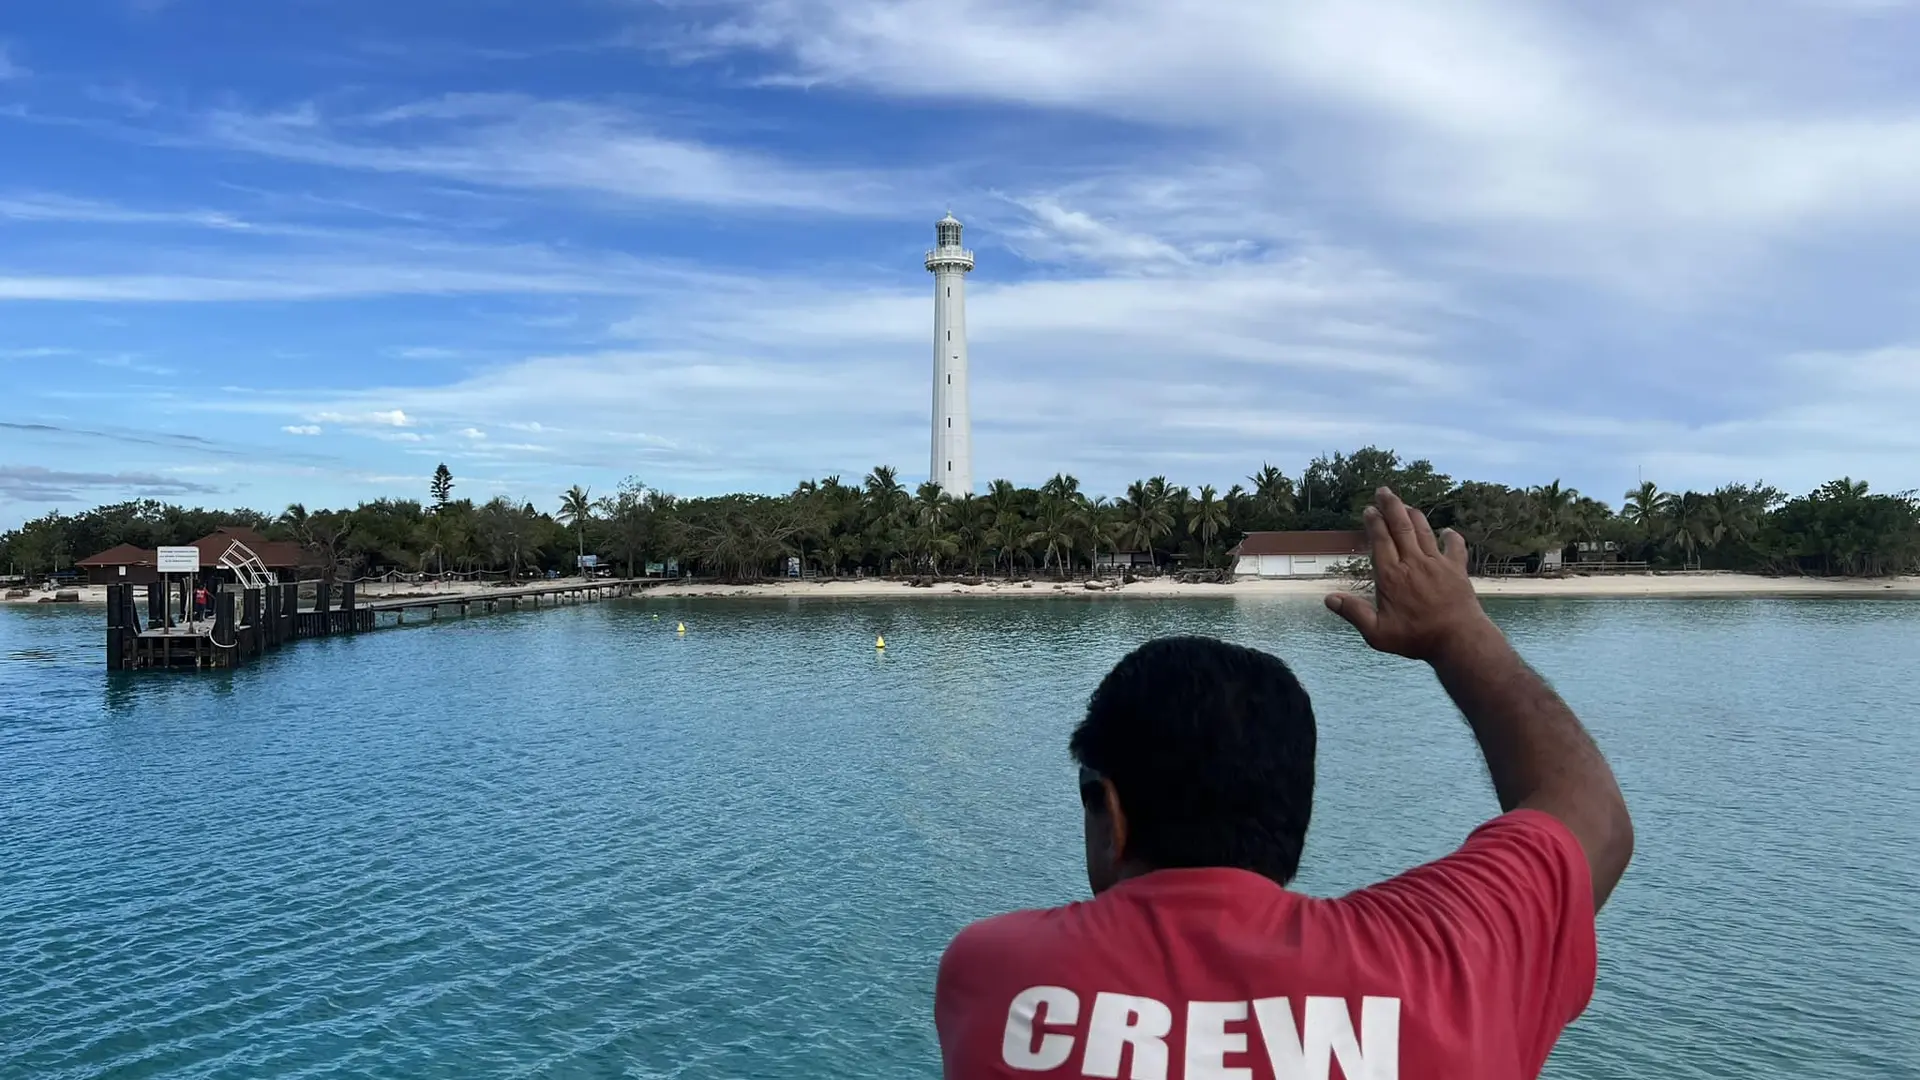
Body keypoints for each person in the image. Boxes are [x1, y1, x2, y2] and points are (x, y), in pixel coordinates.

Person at [935, 487, 1633, 1080]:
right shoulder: (1442, 966)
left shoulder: (996, 976)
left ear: (1109, 813)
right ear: (1294, 810)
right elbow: (1590, 815)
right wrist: (1456, 630)